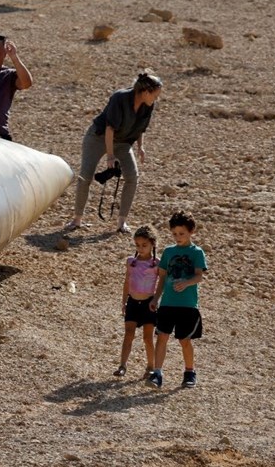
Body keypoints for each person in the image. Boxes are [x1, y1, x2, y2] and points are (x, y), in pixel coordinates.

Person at [63, 70, 163, 234]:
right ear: (145, 92)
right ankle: (77, 219)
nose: (156, 99)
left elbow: (140, 129)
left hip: (123, 142)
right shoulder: (120, 98)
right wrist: (110, 156)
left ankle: (122, 223)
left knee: (132, 177)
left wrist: (140, 147)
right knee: (85, 177)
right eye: (155, 95)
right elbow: (109, 129)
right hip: (99, 137)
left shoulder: (148, 105)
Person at [148, 210, 208, 389]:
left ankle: (190, 371)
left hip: (188, 305)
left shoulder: (197, 252)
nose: (178, 237)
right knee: (162, 336)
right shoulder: (168, 252)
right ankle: (157, 373)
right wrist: (156, 298)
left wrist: (186, 283)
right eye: (174, 234)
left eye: (182, 233)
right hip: (168, 303)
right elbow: (162, 278)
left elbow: (199, 277)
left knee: (185, 340)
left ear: (191, 231)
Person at [115, 225, 160, 379]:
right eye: (137, 245)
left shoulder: (157, 264)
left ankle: (150, 366)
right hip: (133, 302)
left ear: (152, 244)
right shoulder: (131, 261)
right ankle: (122, 365)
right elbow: (127, 281)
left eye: (144, 245)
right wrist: (123, 301)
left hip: (148, 304)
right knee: (128, 334)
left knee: (148, 338)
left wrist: (156, 299)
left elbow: (161, 283)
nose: (140, 248)